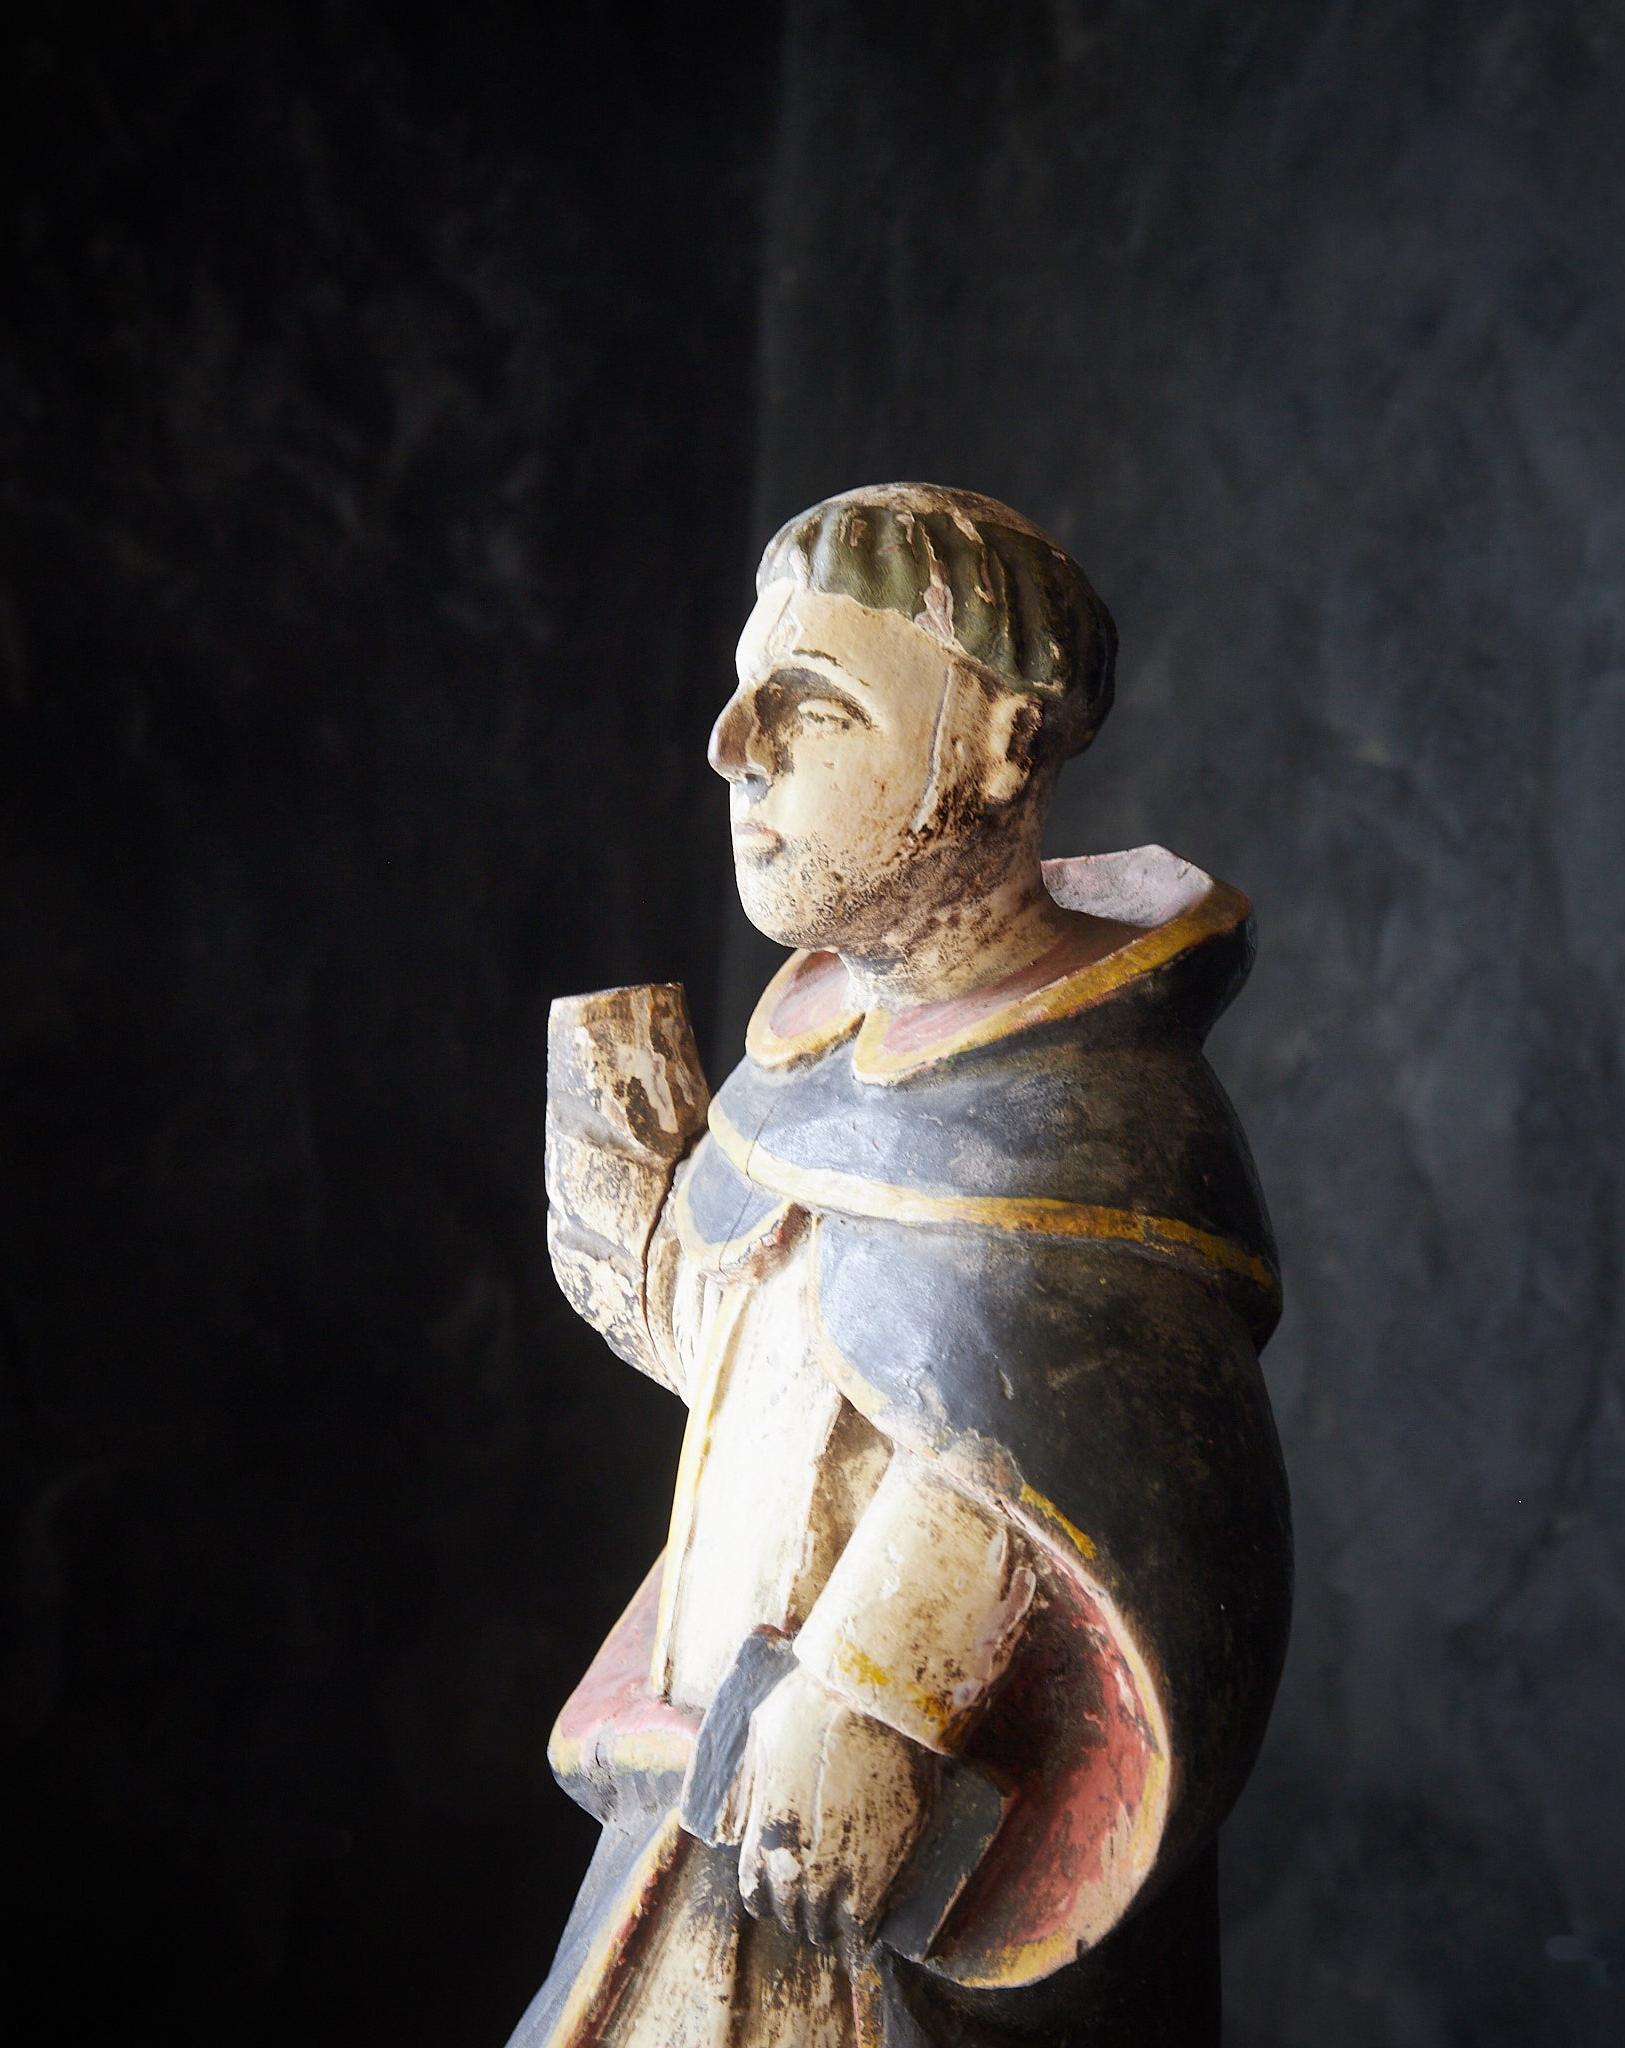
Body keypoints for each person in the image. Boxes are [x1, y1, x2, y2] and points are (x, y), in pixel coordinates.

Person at [511, 484, 1290, 2047]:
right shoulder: (805, 1072)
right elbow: (760, 1367)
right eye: (744, 689)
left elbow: (1076, 1454)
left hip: (885, 1857)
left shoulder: (1091, 1115)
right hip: (707, 1809)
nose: (733, 745)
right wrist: (629, 1177)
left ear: (1003, 744)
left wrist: (880, 1684)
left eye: (813, 702)